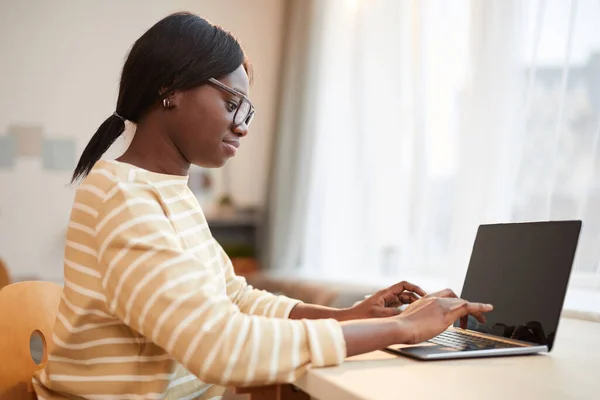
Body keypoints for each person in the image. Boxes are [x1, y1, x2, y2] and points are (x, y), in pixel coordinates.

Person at [33, 12, 493, 400]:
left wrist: (348, 316)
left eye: (246, 111)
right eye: (233, 103)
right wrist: (402, 329)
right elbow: (217, 346)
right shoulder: (122, 198)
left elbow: (233, 298)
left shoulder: (166, 192)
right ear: (169, 88)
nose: (243, 126)